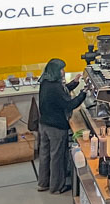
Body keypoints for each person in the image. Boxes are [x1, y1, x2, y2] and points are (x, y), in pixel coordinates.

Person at [36, 58, 85, 194]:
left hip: (44, 124)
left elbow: (62, 92)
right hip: (56, 127)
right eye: (61, 69)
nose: (63, 71)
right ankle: (57, 187)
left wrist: (74, 83)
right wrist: (83, 94)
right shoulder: (55, 87)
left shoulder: (45, 82)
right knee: (56, 157)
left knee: (44, 155)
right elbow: (69, 104)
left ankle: (43, 183)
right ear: (56, 71)